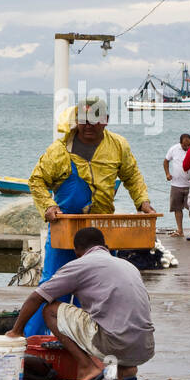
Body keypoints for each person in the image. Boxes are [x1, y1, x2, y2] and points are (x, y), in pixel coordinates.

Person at [25, 96, 154, 335]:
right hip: (65, 229)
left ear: (105, 121)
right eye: (83, 120)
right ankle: (34, 340)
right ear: (76, 121)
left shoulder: (118, 145)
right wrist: (49, 206)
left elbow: (132, 176)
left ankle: (96, 343)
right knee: (52, 287)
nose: (88, 125)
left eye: (94, 120)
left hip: (101, 231)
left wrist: (143, 202)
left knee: (101, 290)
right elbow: (37, 181)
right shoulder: (59, 149)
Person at [6, 226, 154, 380]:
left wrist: (16, 331)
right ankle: (126, 370)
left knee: (50, 310)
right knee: (115, 317)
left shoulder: (80, 265)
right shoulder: (127, 265)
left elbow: (37, 297)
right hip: (144, 346)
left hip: (114, 343)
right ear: (106, 247)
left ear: (76, 251)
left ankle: (87, 368)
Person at [162, 132, 190, 237]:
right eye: (185, 145)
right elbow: (166, 161)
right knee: (177, 208)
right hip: (176, 184)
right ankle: (180, 230)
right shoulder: (174, 149)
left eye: (189, 145)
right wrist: (167, 174)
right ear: (180, 143)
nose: (187, 147)